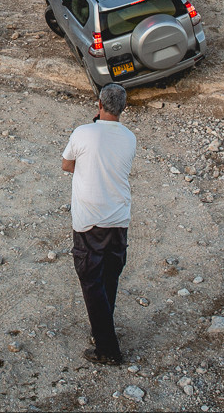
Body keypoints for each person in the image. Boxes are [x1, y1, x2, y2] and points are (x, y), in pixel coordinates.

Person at [61, 82, 136, 366]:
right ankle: (101, 331)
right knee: (109, 277)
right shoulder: (129, 138)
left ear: (99, 105)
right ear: (123, 109)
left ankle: (107, 348)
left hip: (90, 219)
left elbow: (67, 165)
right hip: (119, 217)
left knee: (91, 280)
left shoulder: (83, 132)